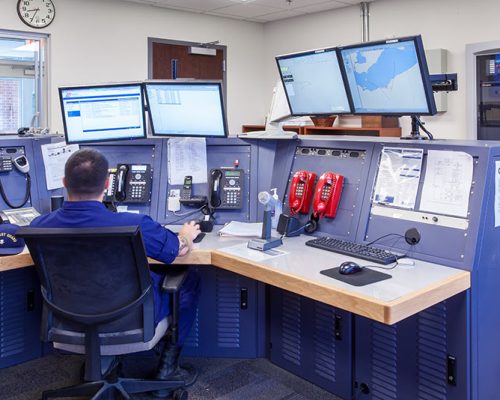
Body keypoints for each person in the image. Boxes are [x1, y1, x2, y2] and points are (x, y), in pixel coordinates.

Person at [30, 148, 201, 391]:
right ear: (108, 183)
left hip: (66, 322)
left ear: (64, 183)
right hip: (132, 321)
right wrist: (185, 235)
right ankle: (167, 370)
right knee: (190, 278)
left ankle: (104, 364)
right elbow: (177, 251)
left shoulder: (39, 226)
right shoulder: (133, 223)